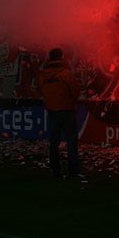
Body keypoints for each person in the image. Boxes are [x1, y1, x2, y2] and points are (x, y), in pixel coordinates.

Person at [38, 48, 81, 178]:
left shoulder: (43, 75)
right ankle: (73, 171)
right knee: (71, 142)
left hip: (52, 112)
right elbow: (76, 92)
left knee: (54, 142)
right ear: (62, 57)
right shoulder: (66, 74)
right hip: (67, 111)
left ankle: (55, 170)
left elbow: (41, 91)